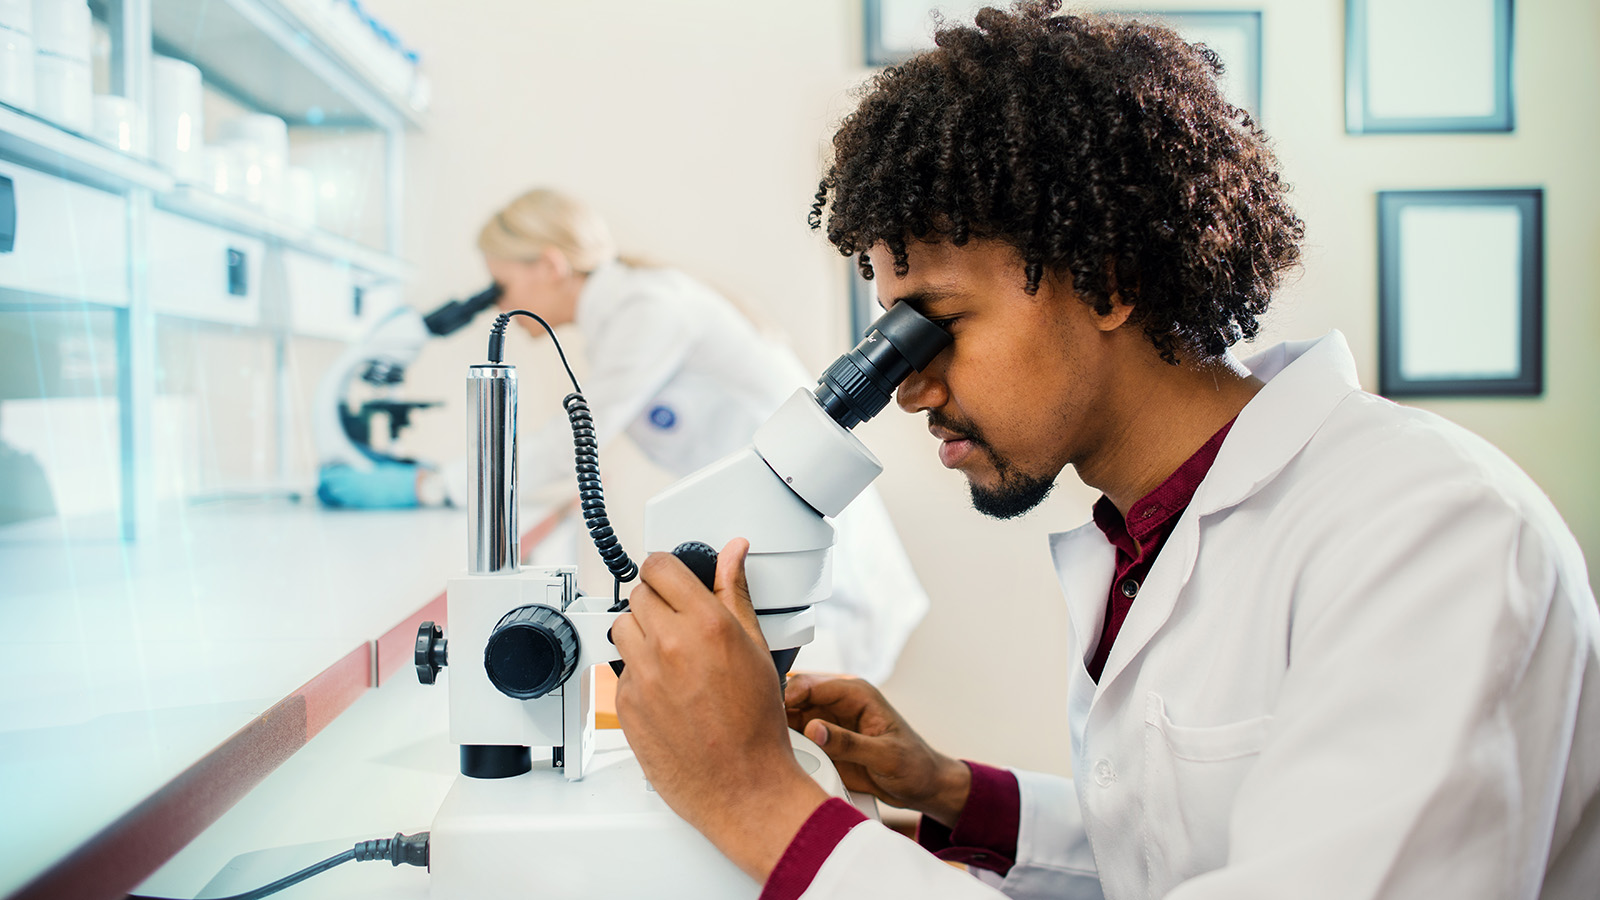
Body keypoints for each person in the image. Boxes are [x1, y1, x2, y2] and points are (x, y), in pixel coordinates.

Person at [606, 4, 1600, 899]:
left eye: (936, 324)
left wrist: (758, 802)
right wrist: (955, 793)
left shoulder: (1433, 535)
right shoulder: (1150, 532)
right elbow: (1204, 856)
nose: (908, 387)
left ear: (1107, 281)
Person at [430, 187, 930, 683]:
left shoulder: (648, 308)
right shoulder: (630, 311)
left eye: (500, 285)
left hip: (813, 574)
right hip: (774, 553)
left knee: (784, 717)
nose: (499, 302)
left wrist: (433, 486)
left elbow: (567, 447)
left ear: (549, 264)